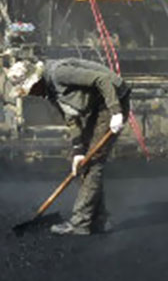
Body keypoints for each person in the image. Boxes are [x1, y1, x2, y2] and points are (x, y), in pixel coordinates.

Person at [7, 57, 130, 236]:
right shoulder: (50, 92)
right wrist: (78, 151)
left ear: (37, 79)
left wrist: (116, 112)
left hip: (112, 100)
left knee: (94, 162)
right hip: (95, 105)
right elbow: (72, 120)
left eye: (31, 89)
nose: (32, 94)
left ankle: (80, 224)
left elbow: (101, 80)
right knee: (84, 163)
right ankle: (100, 220)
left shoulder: (59, 74)